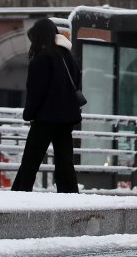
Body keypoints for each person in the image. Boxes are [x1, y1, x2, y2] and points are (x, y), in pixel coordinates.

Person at [11, 18, 83, 193]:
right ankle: (70, 195)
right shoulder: (68, 57)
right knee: (65, 162)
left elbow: (36, 92)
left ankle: (19, 193)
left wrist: (29, 114)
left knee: (30, 160)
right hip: (66, 119)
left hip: (45, 119)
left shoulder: (41, 59)